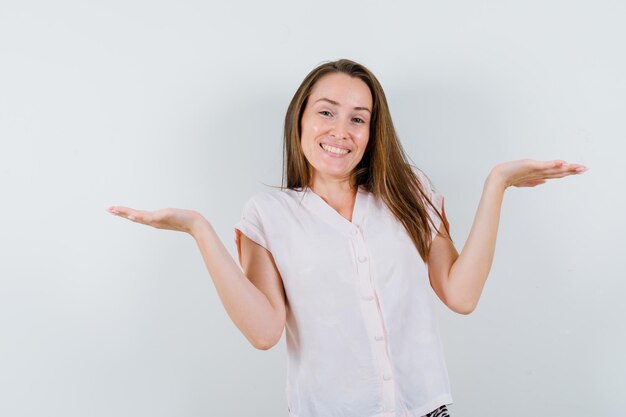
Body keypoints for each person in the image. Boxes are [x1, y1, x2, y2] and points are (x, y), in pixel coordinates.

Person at [107, 59, 587, 417]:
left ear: (373, 131)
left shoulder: (408, 191)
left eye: (358, 118)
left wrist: (496, 184)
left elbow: (461, 294)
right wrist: (199, 230)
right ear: (300, 120)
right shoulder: (267, 215)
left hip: (424, 407)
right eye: (326, 112)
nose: (341, 131)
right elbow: (263, 331)